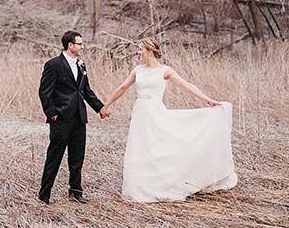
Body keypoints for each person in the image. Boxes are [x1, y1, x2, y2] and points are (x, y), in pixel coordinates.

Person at [101, 38, 237, 202]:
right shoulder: (138, 70)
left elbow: (188, 86)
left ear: (150, 51)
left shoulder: (165, 71)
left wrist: (208, 100)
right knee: (140, 148)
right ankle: (140, 187)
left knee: (159, 147)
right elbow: (122, 88)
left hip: (156, 112)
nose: (138, 52)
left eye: (140, 49)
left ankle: (164, 182)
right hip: (140, 114)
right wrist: (106, 106)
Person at [38, 30, 111, 205]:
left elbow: (85, 91)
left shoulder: (81, 65)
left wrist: (100, 107)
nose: (82, 46)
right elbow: (44, 93)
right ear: (70, 45)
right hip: (61, 118)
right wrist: (53, 114)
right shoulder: (53, 65)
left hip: (79, 117)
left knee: (77, 156)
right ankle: (44, 194)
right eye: (79, 43)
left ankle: (76, 191)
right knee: (54, 156)